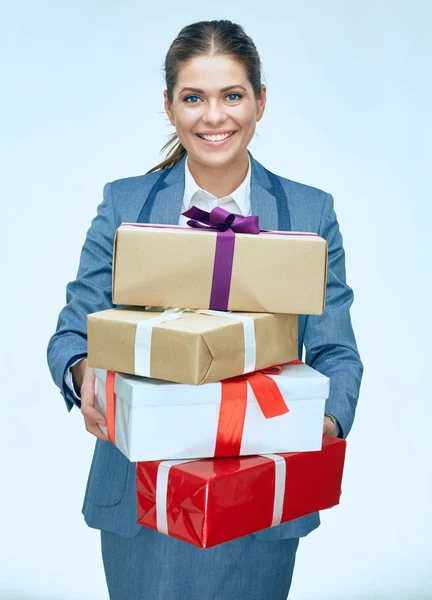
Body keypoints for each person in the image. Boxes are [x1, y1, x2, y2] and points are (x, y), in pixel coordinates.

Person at [47, 19, 363, 600]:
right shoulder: (125, 203)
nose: (213, 117)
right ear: (169, 107)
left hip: (259, 481)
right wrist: (84, 370)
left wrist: (323, 423)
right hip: (143, 488)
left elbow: (336, 350)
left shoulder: (309, 212)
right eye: (193, 97)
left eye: (232, 95)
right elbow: (72, 331)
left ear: (261, 102)